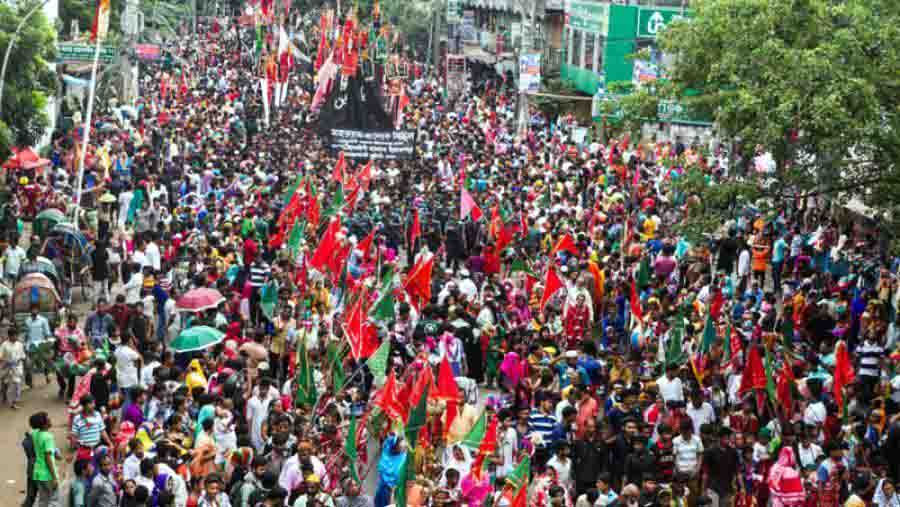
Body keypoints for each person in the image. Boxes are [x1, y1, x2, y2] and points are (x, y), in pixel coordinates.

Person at [31, 411, 60, 507]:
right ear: (44, 424)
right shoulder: (48, 437)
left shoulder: (35, 433)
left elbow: (30, 432)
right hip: (47, 474)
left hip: (38, 472)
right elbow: (48, 458)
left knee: (43, 500)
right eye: (48, 419)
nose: (51, 420)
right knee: (54, 500)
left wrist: (54, 451)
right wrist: (54, 477)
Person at [0, 331, 26, 408]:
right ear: (9, 336)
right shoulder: (4, 345)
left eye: (16, 336)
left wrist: (20, 360)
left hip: (17, 367)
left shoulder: (19, 344)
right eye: (14, 336)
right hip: (7, 367)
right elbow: (0, 356)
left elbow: (23, 355)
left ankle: (15, 401)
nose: (15, 337)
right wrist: (6, 361)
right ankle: (5, 395)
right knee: (5, 383)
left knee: (17, 383)